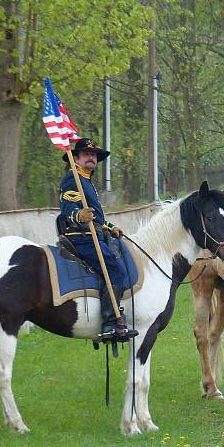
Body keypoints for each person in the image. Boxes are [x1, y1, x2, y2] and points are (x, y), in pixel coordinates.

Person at [59, 138, 138, 341]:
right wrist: (79, 215)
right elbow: (69, 211)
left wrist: (109, 228)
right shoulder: (72, 178)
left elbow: (95, 218)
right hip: (82, 238)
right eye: (86, 154)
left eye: (93, 155)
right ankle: (111, 323)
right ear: (75, 158)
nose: (91, 158)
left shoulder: (86, 180)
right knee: (114, 269)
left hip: (93, 234)